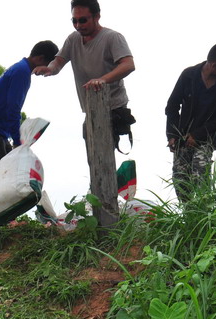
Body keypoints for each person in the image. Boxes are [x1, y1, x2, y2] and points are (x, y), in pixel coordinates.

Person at [33, 0, 135, 225]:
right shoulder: (73, 39)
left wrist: (103, 80)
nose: (78, 25)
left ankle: (109, 214)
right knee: (94, 160)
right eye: (74, 21)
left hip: (113, 108)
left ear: (97, 16)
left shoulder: (112, 38)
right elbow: (58, 62)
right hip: (91, 111)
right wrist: (49, 69)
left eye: (83, 20)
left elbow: (128, 64)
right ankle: (99, 205)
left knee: (104, 160)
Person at [0, 40, 59, 209]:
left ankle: (0, 219)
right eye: (48, 66)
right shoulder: (22, 73)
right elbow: (13, 110)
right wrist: (18, 141)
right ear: (40, 59)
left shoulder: (21, 69)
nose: (46, 72)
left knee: (7, 177)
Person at [165, 41, 216, 202]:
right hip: (182, 137)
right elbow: (172, 106)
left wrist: (197, 135)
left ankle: (203, 211)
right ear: (214, 65)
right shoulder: (188, 75)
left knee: (200, 175)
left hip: (206, 138)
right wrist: (172, 135)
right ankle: (189, 213)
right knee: (180, 180)